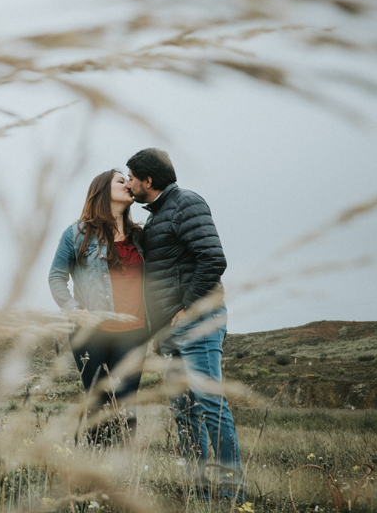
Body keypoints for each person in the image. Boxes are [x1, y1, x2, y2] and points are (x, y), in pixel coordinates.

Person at [125, 147, 243, 500]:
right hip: (171, 332)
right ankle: (201, 495)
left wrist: (188, 308)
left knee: (210, 405)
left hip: (199, 322)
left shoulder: (186, 203)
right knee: (184, 412)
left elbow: (212, 258)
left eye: (131, 177)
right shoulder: (157, 216)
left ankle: (230, 497)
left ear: (148, 179)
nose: (128, 183)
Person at [48, 169, 147, 442]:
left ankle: (124, 473)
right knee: (97, 403)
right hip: (91, 333)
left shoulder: (140, 236)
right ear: (103, 190)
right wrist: (74, 310)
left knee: (126, 403)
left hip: (135, 331)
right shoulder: (77, 234)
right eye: (121, 180)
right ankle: (96, 468)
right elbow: (56, 276)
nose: (129, 183)